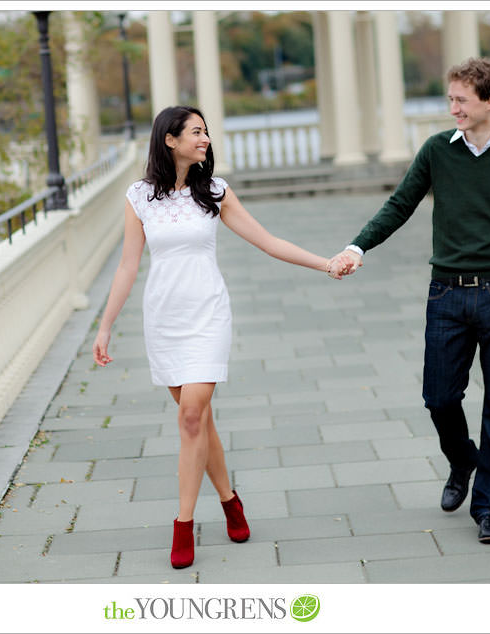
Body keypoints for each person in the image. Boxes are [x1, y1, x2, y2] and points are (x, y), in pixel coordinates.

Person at [93, 105, 351, 568]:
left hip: (208, 315)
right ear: (169, 140)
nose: (206, 138)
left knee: (192, 415)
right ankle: (230, 499)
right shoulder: (139, 197)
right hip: (165, 319)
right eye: (197, 132)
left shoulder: (214, 191)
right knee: (199, 421)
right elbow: (128, 265)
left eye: (206, 132)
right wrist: (106, 325)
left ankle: (184, 525)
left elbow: (268, 241)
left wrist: (326, 262)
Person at [333, 58, 490, 544]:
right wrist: (357, 246)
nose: (451, 107)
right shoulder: (437, 150)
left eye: (460, 100)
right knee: (438, 397)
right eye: (450, 98)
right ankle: (463, 460)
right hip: (446, 293)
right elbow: (400, 204)